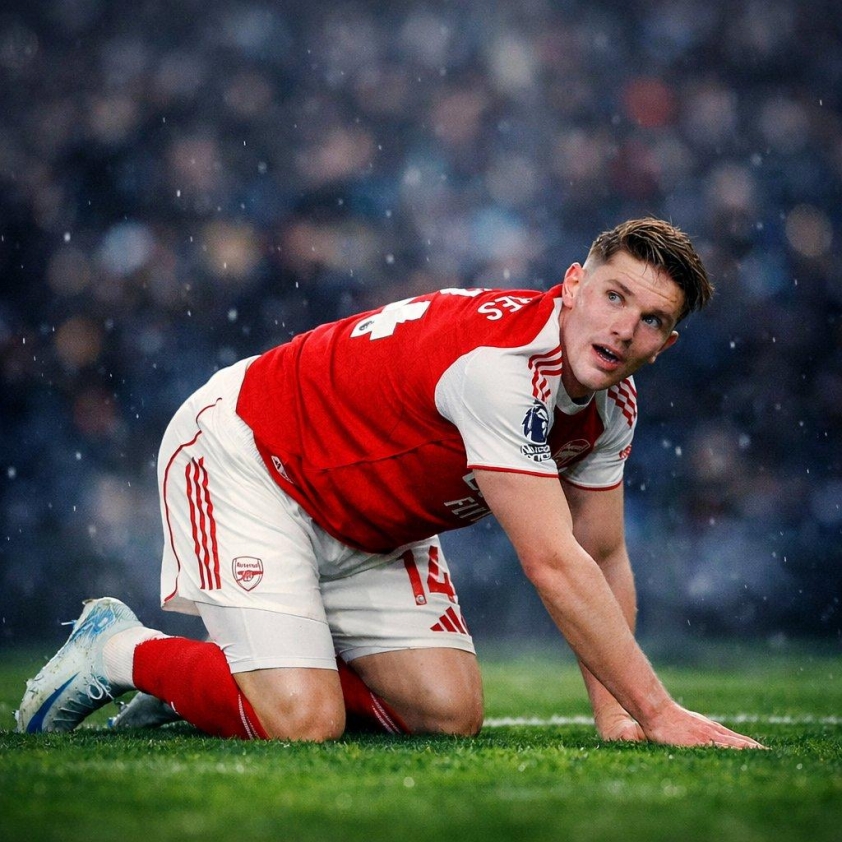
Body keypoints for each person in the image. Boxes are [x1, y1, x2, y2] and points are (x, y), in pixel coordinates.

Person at [17, 218, 763, 749]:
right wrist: (659, 713)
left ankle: (228, 679)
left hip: (374, 521)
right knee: (304, 723)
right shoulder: (502, 371)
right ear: (573, 285)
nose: (626, 327)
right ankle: (119, 649)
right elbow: (553, 562)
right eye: (614, 296)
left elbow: (600, 553)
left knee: (447, 716)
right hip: (251, 456)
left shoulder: (612, 405)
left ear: (666, 345)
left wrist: (616, 715)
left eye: (652, 319)